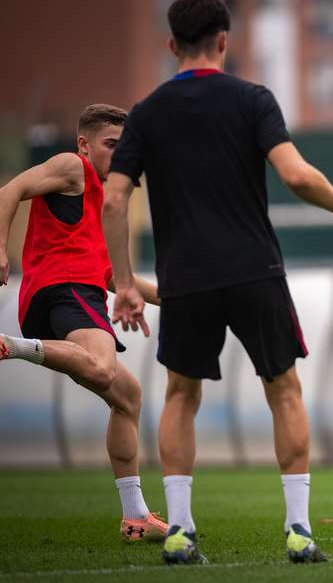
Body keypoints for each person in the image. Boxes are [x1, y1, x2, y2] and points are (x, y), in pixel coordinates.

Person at [102, 0, 333, 566]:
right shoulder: (252, 100)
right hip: (253, 269)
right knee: (284, 389)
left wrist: (123, 282)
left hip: (184, 274)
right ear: (225, 40)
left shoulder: (145, 114)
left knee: (180, 394)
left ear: (171, 45)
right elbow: (294, 174)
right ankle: (298, 530)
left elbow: (114, 199)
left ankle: (180, 531)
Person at [0, 104, 167, 542]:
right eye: (112, 145)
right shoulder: (72, 167)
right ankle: (10, 345)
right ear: (84, 145)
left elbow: (113, 277)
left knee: (128, 396)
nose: (121, 154)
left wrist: (176, 299)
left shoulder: (110, 201)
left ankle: (135, 518)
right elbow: (9, 189)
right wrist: (0, 248)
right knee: (102, 367)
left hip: (75, 295)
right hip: (64, 290)